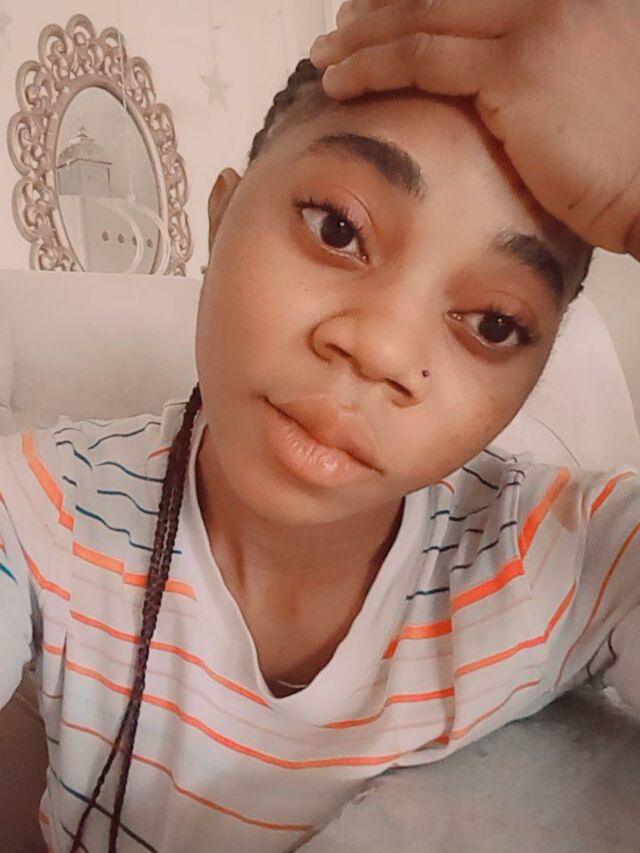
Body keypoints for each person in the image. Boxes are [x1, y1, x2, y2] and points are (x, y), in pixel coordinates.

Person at [0, 1, 638, 850]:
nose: (379, 348)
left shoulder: (563, 560)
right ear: (222, 217)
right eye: (339, 229)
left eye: (493, 323)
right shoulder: (45, 509)